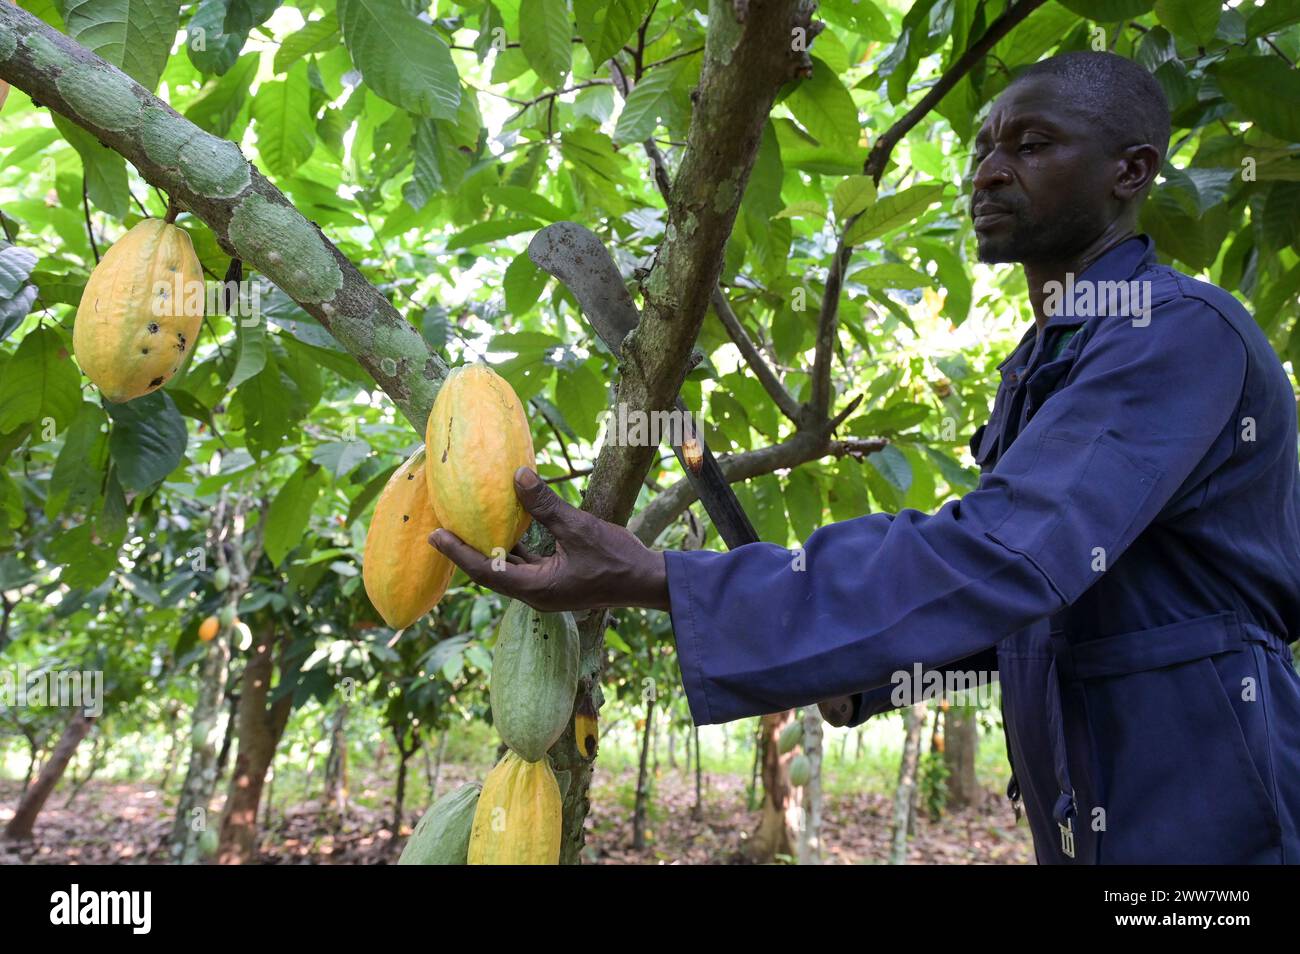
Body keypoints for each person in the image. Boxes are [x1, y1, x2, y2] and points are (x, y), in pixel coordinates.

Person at [429, 51, 1300, 865]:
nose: (988, 173)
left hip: (1206, 792)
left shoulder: (1175, 335)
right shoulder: (1048, 361)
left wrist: (666, 580)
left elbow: (1003, 555)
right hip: (1090, 794)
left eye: (1031, 146)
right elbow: (1057, 606)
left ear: (1131, 171)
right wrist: (875, 679)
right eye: (984, 147)